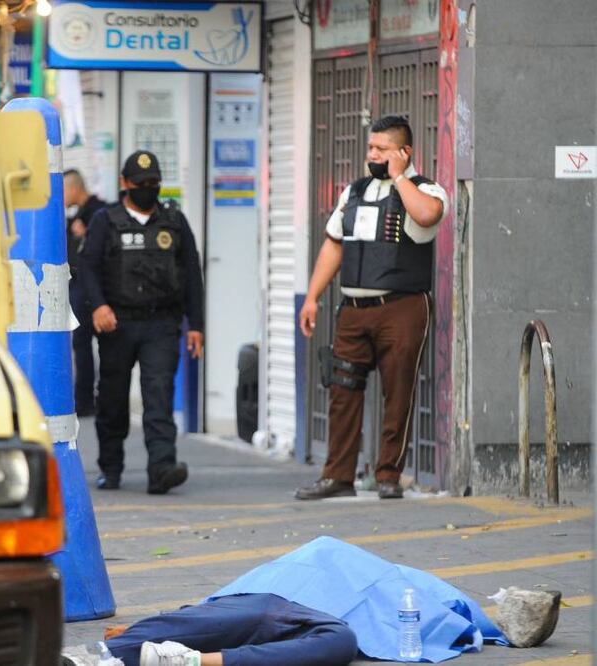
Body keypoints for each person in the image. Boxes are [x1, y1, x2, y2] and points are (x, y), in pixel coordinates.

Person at [295, 116, 448, 501]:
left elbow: (427, 216)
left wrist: (399, 177)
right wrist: (312, 297)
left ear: (404, 152)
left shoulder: (425, 189)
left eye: (382, 149)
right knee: (342, 389)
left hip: (401, 307)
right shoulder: (355, 191)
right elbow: (334, 244)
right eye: (371, 147)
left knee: (398, 392)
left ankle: (388, 475)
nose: (373, 155)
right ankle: (337, 476)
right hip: (354, 308)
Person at [79, 150, 205, 494]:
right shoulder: (106, 220)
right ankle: (111, 468)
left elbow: (192, 274)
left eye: (153, 182)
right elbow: (88, 267)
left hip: (161, 324)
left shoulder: (174, 222)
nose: (147, 188)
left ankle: (162, 469)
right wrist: (98, 307)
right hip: (117, 324)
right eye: (140, 183)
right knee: (112, 400)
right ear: (124, 183)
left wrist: (196, 324)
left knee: (159, 396)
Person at [102, 593, 358, 666]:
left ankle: (188, 660)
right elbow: (211, 613)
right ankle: (97, 656)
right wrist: (144, 628)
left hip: (300, 630)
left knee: (343, 640)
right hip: (271, 608)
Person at [63, 169, 107, 417]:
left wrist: (86, 233)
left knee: (96, 344)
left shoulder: (99, 212)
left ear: (74, 188)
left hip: (94, 288)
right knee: (81, 343)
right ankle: (84, 399)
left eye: (63, 190)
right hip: (78, 286)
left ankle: (92, 400)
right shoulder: (76, 214)